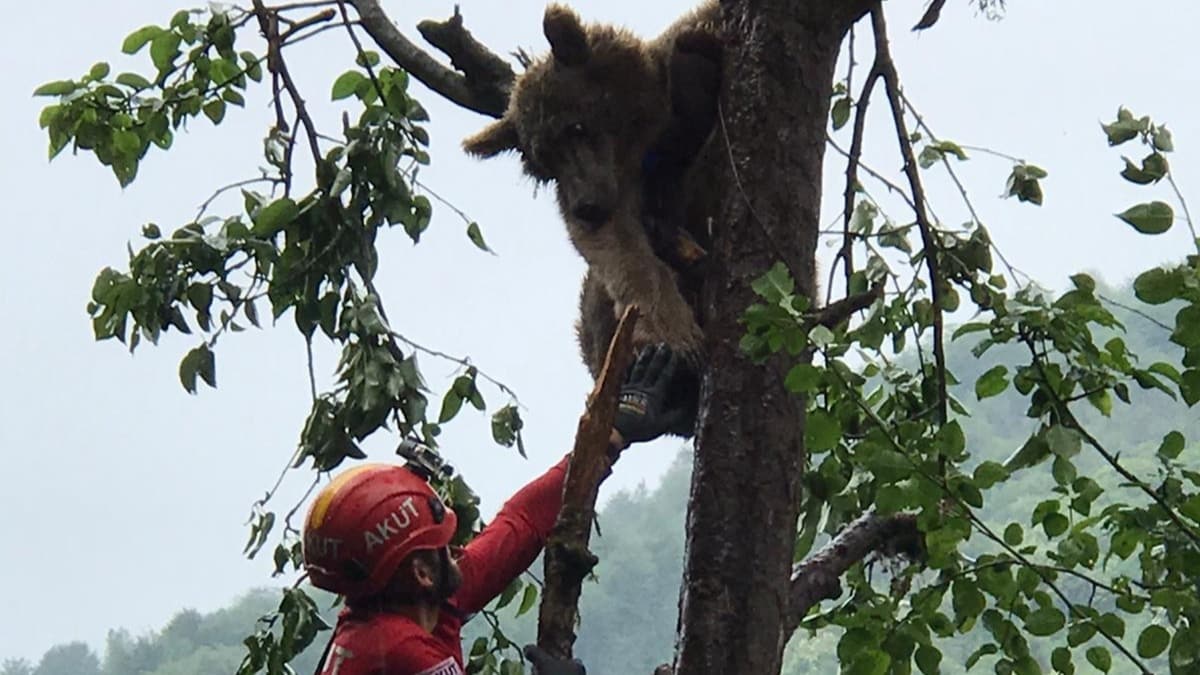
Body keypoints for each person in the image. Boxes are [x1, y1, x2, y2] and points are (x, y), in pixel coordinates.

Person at [303, 344, 689, 675]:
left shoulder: (400, 607)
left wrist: (610, 436)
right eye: (442, 544)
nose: (456, 551)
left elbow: (521, 522)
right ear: (421, 573)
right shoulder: (399, 648)